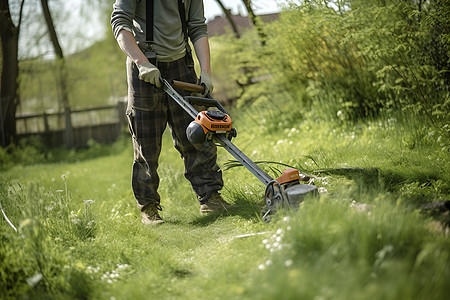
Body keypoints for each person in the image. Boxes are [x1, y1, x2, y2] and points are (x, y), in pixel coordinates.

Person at [111, 0, 232, 224]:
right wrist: (142, 62)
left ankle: (210, 197)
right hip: (145, 66)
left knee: (198, 134)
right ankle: (149, 208)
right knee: (146, 144)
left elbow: (197, 27)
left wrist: (206, 72)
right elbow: (120, 23)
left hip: (182, 65)